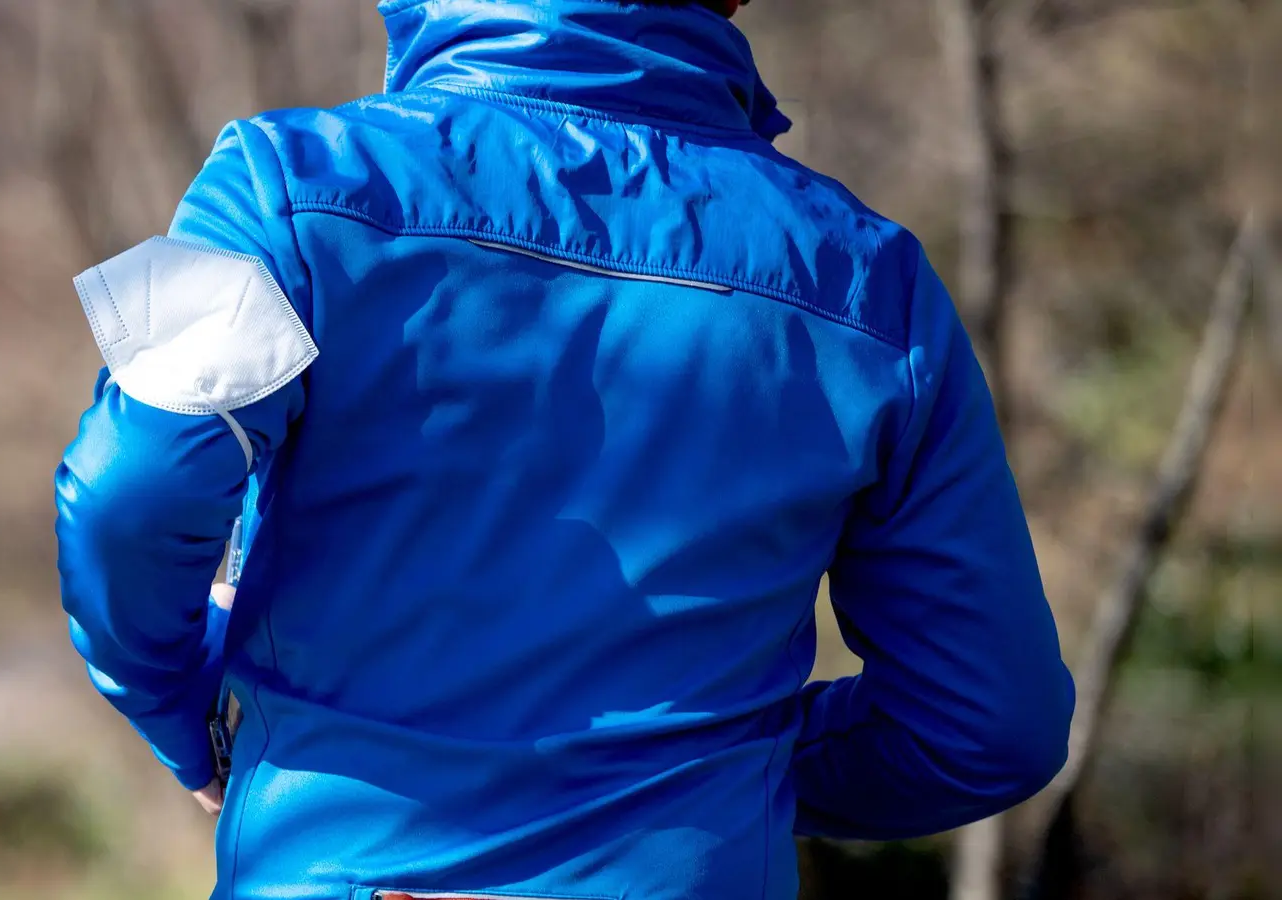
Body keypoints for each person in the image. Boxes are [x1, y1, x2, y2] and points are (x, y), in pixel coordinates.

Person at [54, 1, 1076, 897]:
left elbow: (126, 495)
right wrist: (708, 775)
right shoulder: (870, 287)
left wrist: (177, 705)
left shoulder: (278, 189)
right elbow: (993, 724)